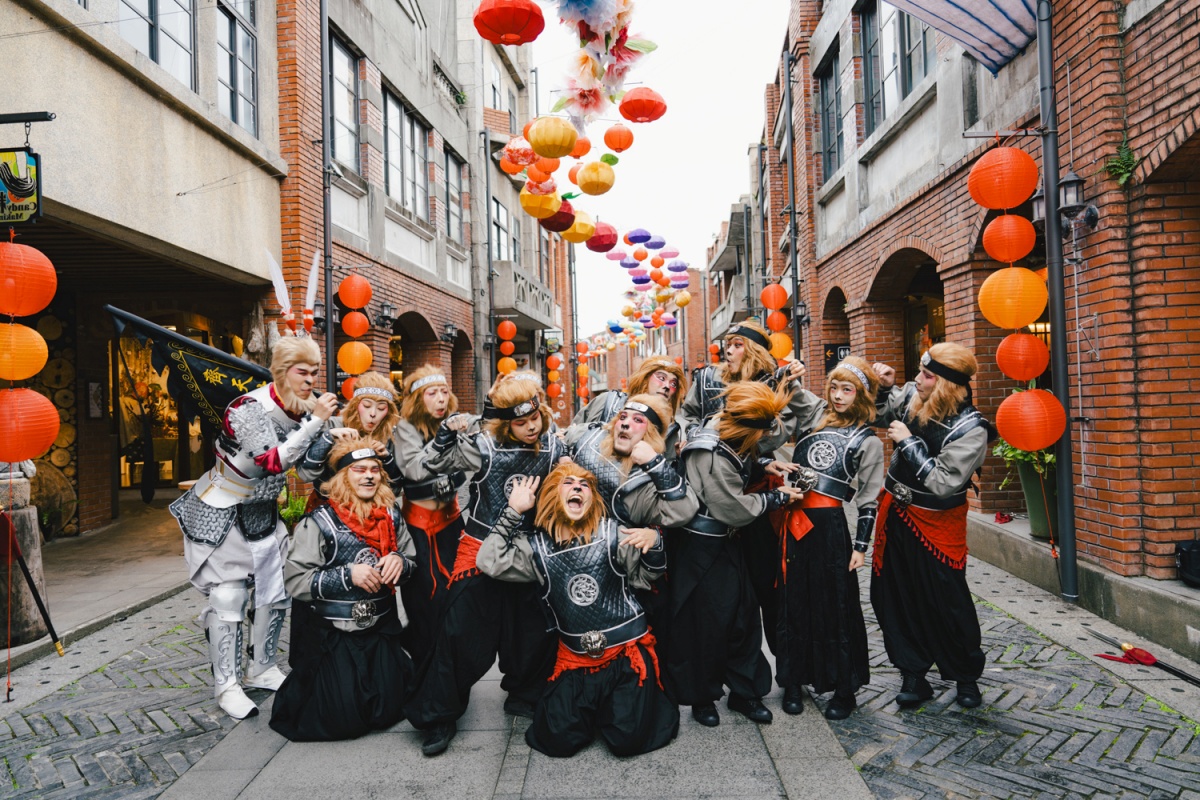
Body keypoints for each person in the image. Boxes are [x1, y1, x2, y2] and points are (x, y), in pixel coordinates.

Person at [168, 337, 337, 719]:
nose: (311, 380)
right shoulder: (247, 408)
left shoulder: (304, 409)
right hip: (224, 508)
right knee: (228, 599)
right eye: (302, 372)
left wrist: (329, 436)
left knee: (275, 594)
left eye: (314, 372)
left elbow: (306, 465)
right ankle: (226, 685)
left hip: (263, 512)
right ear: (282, 371)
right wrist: (317, 427)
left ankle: (261, 666)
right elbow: (272, 460)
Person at [404, 373, 567, 756]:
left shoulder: (554, 448)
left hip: (528, 550)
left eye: (535, 419)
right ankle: (438, 713)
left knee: (534, 629)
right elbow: (426, 466)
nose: (531, 427)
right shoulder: (482, 446)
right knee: (460, 633)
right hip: (480, 548)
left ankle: (524, 694)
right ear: (505, 422)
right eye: (521, 422)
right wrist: (446, 433)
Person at [477, 465, 679, 757]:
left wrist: (655, 540)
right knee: (557, 740)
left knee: (628, 740)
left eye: (584, 485)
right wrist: (512, 511)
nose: (577, 488)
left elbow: (647, 577)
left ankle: (618, 707)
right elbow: (488, 561)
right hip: (574, 660)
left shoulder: (613, 534)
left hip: (625, 657)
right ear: (552, 496)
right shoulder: (535, 549)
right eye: (568, 483)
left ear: (592, 498)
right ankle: (599, 709)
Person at [668, 382, 806, 727]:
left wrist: (762, 466)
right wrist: (777, 498)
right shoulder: (708, 451)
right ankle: (703, 698)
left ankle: (746, 691)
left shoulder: (724, 434)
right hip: (702, 548)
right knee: (707, 625)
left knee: (743, 619)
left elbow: (740, 459)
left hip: (728, 544)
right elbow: (731, 507)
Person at [269, 436, 417, 741]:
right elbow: (295, 581)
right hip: (337, 635)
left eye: (374, 469)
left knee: (390, 709)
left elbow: (412, 561)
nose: (368, 475)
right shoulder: (320, 522)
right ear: (343, 477)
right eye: (359, 469)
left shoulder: (391, 516)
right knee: (343, 720)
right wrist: (347, 575)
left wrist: (400, 563)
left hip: (380, 632)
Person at [870, 343, 992, 710]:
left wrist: (907, 443)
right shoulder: (911, 395)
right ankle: (913, 673)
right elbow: (875, 414)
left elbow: (943, 482)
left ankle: (965, 675)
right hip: (895, 514)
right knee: (896, 594)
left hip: (938, 521)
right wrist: (882, 387)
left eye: (927, 375)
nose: (917, 379)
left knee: (948, 601)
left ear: (946, 384)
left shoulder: (973, 429)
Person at [772, 357, 884, 720]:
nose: (837, 396)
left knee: (835, 605)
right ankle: (792, 680)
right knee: (793, 601)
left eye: (847, 390)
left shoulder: (868, 441)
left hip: (830, 526)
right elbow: (789, 390)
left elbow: (870, 497)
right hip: (792, 518)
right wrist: (786, 372)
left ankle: (843, 687)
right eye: (834, 387)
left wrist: (861, 547)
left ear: (862, 396)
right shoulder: (816, 414)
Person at [391, 365, 467, 666]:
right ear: (418, 399)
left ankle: (447, 661)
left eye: (444, 392)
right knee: (423, 598)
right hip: (419, 527)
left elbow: (466, 467)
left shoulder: (450, 424)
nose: (440, 399)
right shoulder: (405, 429)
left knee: (455, 595)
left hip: (452, 522)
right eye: (431, 393)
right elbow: (413, 472)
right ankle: (424, 660)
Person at [296, 371, 403, 508]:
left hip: (373, 512)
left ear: (388, 411)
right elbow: (305, 475)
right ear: (355, 405)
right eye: (367, 406)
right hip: (328, 509)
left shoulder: (390, 435)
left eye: (381, 408)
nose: (373, 414)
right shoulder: (331, 425)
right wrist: (326, 439)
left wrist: (387, 459)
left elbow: (395, 488)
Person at [572, 357, 688, 459]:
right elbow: (572, 435)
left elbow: (667, 471)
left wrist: (680, 459)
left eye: (673, 384)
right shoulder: (609, 402)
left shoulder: (669, 427)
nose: (667, 386)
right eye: (661, 378)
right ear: (644, 378)